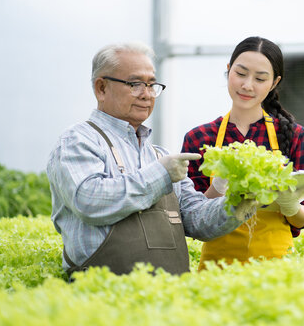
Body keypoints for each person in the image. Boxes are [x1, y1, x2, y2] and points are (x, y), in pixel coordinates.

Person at [47, 41, 259, 277]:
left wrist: (238, 202)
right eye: (135, 84)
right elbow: (89, 201)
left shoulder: (159, 155)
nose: (147, 95)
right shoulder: (78, 141)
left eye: (152, 85)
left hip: (167, 299)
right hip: (104, 301)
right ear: (101, 88)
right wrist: (161, 174)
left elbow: (197, 220)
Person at [181, 36, 304, 270]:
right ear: (228, 70)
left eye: (260, 78)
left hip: (276, 269)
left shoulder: (295, 136)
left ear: (274, 83)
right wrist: (218, 188)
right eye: (240, 74)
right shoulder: (199, 138)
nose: (247, 85)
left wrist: (290, 205)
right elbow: (193, 217)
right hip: (216, 268)